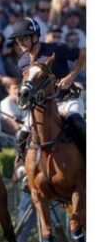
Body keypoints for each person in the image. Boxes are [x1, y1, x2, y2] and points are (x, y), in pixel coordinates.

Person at [8, 17, 85, 163]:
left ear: (35, 37)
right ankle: (22, 170)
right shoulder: (22, 62)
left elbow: (83, 53)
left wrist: (71, 76)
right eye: (18, 40)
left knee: (77, 124)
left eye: (24, 38)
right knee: (21, 137)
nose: (20, 43)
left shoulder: (56, 49)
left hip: (66, 100)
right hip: (42, 107)